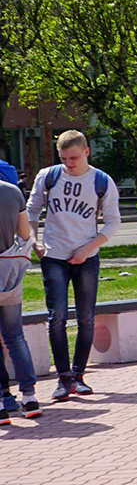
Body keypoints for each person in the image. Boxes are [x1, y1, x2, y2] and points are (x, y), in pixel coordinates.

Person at [27, 130, 121, 401]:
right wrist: (34, 242)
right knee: (56, 317)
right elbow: (31, 210)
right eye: (63, 158)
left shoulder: (102, 181)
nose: (69, 163)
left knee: (86, 317)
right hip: (54, 256)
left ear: (87, 152)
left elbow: (113, 222)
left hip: (86, 258)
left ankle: (79, 375)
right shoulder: (49, 176)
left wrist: (87, 249)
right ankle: (63, 377)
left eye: (74, 158)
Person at [0, 171, 38, 421]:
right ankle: (29, 397)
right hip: (7, 274)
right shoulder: (13, 192)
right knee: (15, 337)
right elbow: (26, 236)